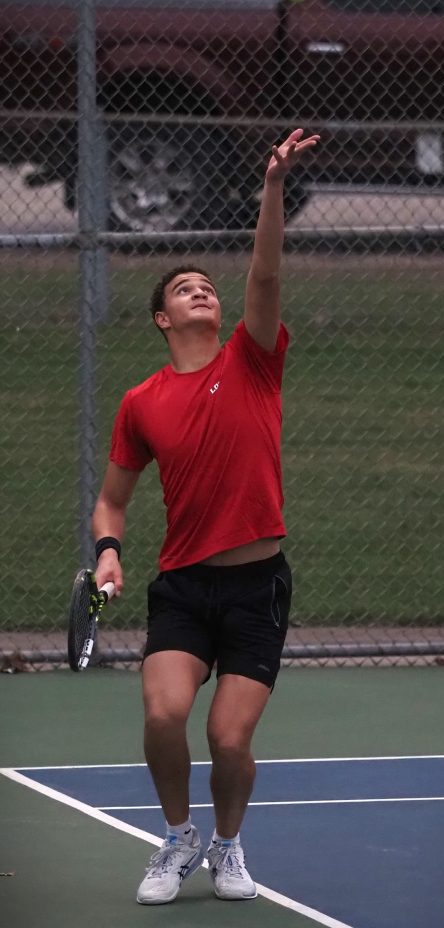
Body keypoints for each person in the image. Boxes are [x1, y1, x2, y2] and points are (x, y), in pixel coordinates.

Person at [91, 127, 320, 904]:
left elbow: (264, 272)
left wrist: (273, 186)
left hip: (258, 586)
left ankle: (227, 845)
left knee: (228, 738)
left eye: (206, 285)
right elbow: (111, 497)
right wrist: (110, 549)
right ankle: (179, 835)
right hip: (184, 585)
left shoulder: (251, 361)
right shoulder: (142, 403)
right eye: (183, 287)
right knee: (163, 715)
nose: (201, 289)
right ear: (161, 318)